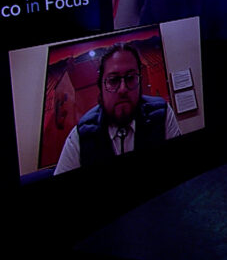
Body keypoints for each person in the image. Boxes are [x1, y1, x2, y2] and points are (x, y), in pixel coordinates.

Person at [53, 42, 181, 175]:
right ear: (101, 87)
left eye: (130, 78)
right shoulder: (80, 136)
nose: (123, 89)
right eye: (113, 80)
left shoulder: (162, 114)